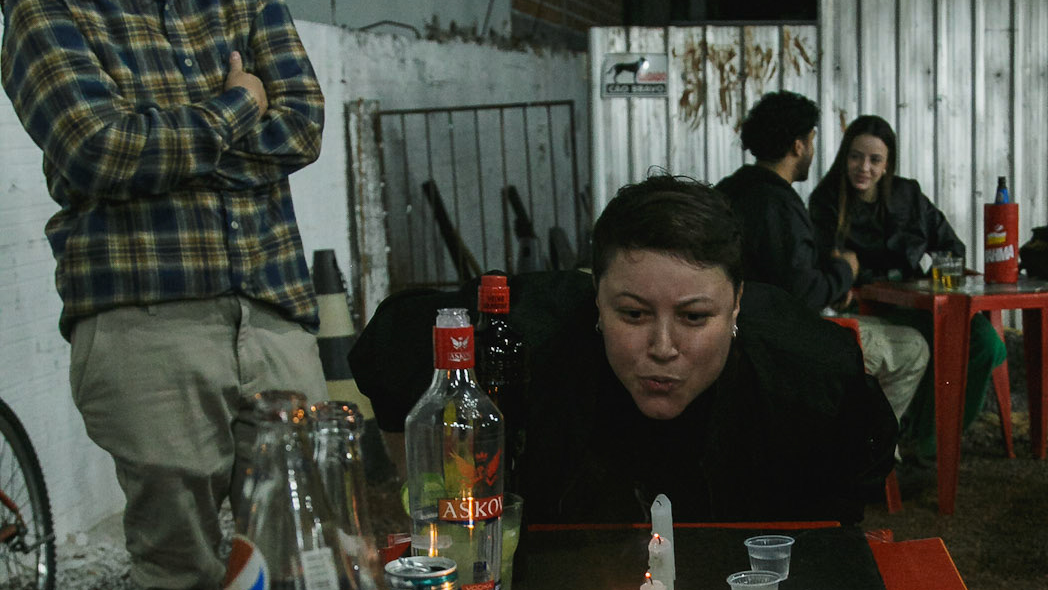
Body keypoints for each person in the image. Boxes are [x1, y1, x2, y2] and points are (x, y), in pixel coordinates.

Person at [0, 0, 328, 590]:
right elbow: (96, 148)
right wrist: (234, 105)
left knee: (306, 548)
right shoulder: (45, 5)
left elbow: (303, 124)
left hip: (270, 313)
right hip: (143, 324)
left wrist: (167, 135)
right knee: (182, 568)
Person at [350, 175, 896, 527]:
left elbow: (855, 492)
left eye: (694, 317)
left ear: (736, 305)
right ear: (597, 297)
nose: (662, 348)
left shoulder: (807, 371)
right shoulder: (540, 326)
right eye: (633, 314)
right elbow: (385, 348)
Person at [809, 115, 1005, 461]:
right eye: (856, 157)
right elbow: (826, 268)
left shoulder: (908, 194)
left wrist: (936, 280)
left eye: (875, 160)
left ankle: (934, 439)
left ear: (888, 164)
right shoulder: (826, 201)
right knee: (930, 342)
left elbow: (951, 247)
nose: (864, 167)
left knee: (986, 343)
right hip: (866, 306)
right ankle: (915, 440)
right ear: (844, 157)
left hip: (920, 301)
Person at [715, 91, 856, 311]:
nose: (812, 150)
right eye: (811, 140)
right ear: (798, 146)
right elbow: (803, 294)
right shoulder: (777, 206)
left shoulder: (730, 188)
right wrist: (845, 270)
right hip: (762, 326)